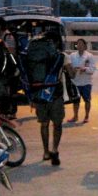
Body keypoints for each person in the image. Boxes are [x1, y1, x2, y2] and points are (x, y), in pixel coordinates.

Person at [35, 31, 67, 166]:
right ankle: (55, 149)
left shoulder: (36, 57)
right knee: (57, 124)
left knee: (44, 123)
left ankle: (46, 151)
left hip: (40, 94)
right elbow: (71, 73)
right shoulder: (61, 56)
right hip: (56, 94)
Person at [66, 38, 96, 123]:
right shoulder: (72, 55)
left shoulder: (90, 56)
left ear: (85, 46)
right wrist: (73, 70)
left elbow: (93, 69)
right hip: (75, 82)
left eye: (81, 44)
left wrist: (85, 69)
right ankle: (75, 116)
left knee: (87, 100)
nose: (79, 46)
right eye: (78, 44)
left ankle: (86, 116)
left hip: (86, 82)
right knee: (75, 101)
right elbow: (69, 67)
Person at [0, 16, 18, 119]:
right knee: (3, 90)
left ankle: (11, 111)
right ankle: (5, 110)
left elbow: (12, 52)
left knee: (10, 90)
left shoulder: (8, 36)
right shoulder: (0, 36)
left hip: (8, 67)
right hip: (2, 66)